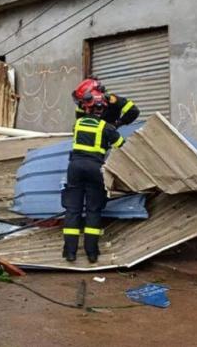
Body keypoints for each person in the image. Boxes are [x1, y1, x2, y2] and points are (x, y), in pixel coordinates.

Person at [62, 90, 124, 264]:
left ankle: (70, 253)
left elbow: (79, 112)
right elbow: (121, 146)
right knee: (93, 210)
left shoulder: (78, 124)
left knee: (73, 210)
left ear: (86, 108)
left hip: (74, 168)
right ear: (102, 109)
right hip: (95, 169)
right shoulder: (107, 128)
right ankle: (92, 253)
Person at [72, 77, 140, 127]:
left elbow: (133, 111)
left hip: (111, 137)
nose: (83, 105)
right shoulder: (81, 106)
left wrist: (118, 124)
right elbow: (79, 123)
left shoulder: (112, 100)